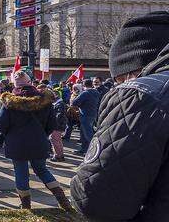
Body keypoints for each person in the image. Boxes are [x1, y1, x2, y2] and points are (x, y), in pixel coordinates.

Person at [71, 11, 169, 221]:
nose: (116, 85)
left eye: (118, 79)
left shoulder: (141, 93)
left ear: (132, 71)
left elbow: (95, 200)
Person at [0, 70, 72, 211]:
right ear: (30, 82)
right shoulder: (44, 100)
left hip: (17, 143)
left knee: (21, 172)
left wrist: (10, 135)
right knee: (42, 170)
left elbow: (1, 122)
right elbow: (52, 124)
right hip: (38, 141)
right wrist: (41, 134)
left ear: (15, 85)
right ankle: (63, 201)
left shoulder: (10, 101)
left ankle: (25, 205)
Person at [71, 79, 100, 155]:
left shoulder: (85, 93)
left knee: (88, 135)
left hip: (85, 115)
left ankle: (92, 152)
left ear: (84, 85)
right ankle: (84, 149)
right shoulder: (96, 92)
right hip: (93, 114)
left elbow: (74, 103)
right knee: (84, 134)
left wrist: (76, 96)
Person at [48, 85, 68, 162]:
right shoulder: (59, 103)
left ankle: (57, 156)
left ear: (56, 95)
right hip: (59, 125)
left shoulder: (60, 104)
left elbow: (59, 115)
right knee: (57, 140)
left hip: (57, 125)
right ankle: (60, 155)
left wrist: (52, 122)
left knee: (54, 140)